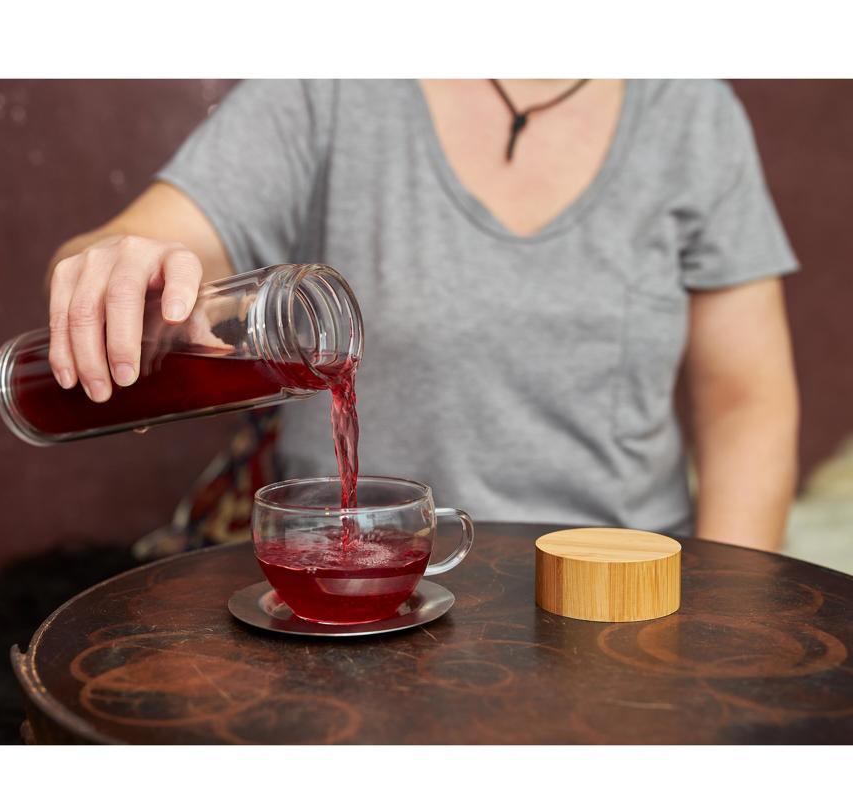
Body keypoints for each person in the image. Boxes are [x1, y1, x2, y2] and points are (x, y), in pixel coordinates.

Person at [45, 80, 800, 552]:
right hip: (359, 589)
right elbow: (151, 237)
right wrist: (124, 267)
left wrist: (722, 631)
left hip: (618, 597)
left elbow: (749, 408)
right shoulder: (329, 87)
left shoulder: (691, 112)